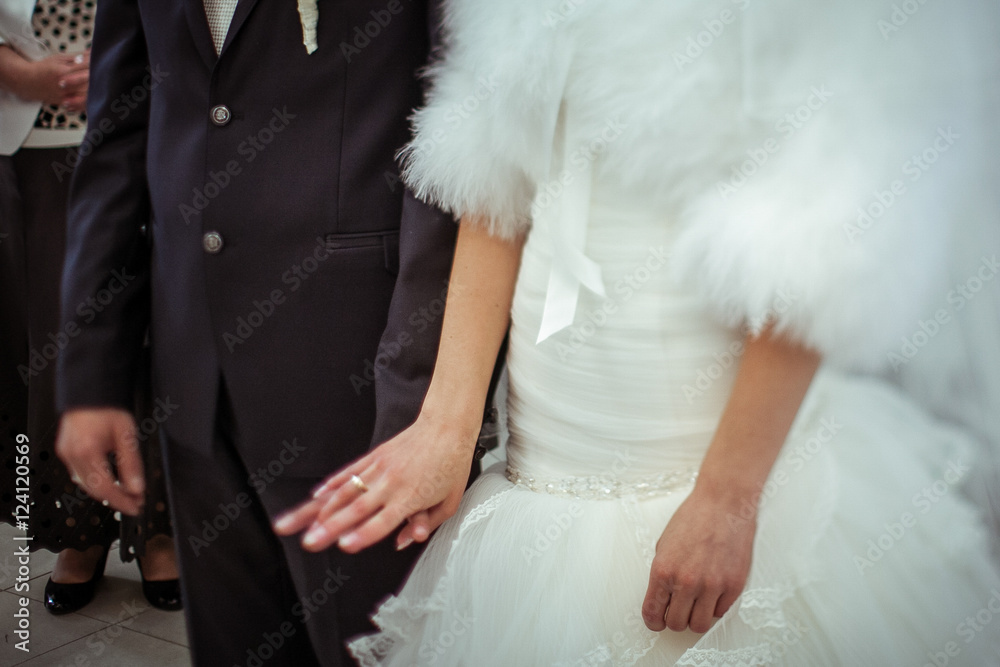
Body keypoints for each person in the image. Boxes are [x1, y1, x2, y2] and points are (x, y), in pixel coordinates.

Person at [276, 0, 1000, 664]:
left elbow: (822, 246)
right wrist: (447, 422)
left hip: (714, 461)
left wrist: (728, 498)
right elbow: (492, 171)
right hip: (542, 462)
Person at [52, 0, 498, 665]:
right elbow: (118, 130)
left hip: (361, 383)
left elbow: (462, 128)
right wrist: (90, 372)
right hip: (194, 378)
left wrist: (423, 405)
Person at [0, 0, 180, 616]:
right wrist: (20, 74)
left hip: (163, 138)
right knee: (55, 349)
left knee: (165, 342)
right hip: (37, 146)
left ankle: (160, 529)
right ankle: (76, 534)